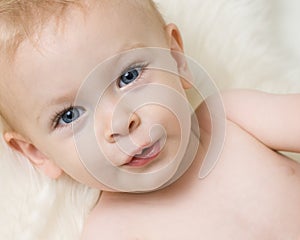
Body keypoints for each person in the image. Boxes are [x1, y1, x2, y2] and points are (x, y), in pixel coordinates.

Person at [0, 0, 299, 239]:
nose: (119, 123)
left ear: (177, 58)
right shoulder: (112, 231)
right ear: (36, 152)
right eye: (69, 115)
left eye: (128, 77)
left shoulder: (231, 118)